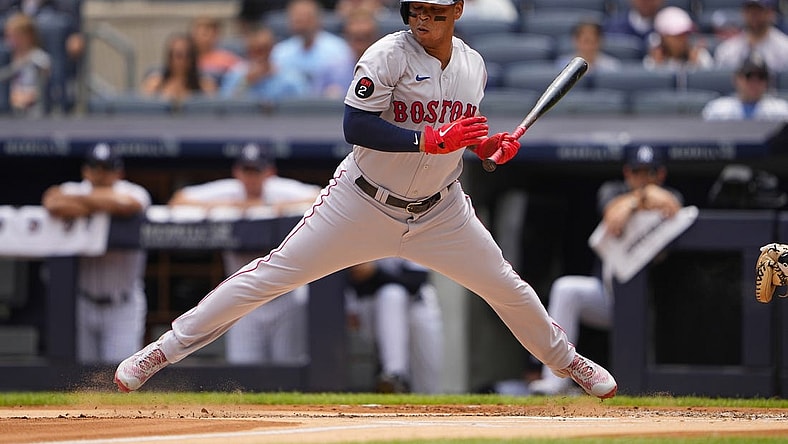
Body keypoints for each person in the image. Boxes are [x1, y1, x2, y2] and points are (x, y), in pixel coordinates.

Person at [114, 0, 618, 400]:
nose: (422, 17)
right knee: (269, 275)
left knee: (505, 286)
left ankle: (567, 362)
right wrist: (428, 140)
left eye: (435, 10)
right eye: (416, 8)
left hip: (440, 210)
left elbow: (458, 137)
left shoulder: (474, 66)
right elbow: (354, 124)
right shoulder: (386, 54)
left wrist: (486, 146)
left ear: (458, 10)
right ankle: (162, 351)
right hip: (362, 200)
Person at [528, 144, 683, 396]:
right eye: (637, 172)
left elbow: (673, 205)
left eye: (650, 173)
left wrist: (636, 201)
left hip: (653, 301)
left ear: (661, 174)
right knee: (566, 289)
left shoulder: (672, 194)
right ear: (627, 172)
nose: (643, 178)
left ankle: (650, 389)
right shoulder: (613, 190)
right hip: (610, 295)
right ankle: (554, 381)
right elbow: (613, 216)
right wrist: (642, 198)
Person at [168, 143, 321, 365]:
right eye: (246, 170)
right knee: (244, 367)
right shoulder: (231, 190)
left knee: (288, 366)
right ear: (237, 171)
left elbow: (319, 196)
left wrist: (271, 208)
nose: (250, 177)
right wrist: (235, 206)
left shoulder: (278, 190)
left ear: (269, 173)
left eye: (256, 171)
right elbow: (179, 200)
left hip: (285, 298)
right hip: (242, 300)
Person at [42, 143, 152, 365]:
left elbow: (127, 205)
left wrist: (82, 205)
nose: (101, 174)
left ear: (118, 172)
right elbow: (52, 201)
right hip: (84, 302)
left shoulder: (133, 191)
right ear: (85, 170)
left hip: (123, 304)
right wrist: (101, 205)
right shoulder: (72, 188)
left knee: (121, 374)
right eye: (95, 167)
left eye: (107, 168)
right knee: (85, 375)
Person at [346, 258, 443, 393]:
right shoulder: (362, 239)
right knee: (391, 295)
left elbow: (415, 281)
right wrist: (351, 306)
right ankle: (394, 375)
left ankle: (397, 379)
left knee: (427, 375)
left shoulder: (411, 236)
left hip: (418, 305)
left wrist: (376, 272)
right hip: (374, 305)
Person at [270, 0, 355, 98]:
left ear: (318, 19)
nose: (300, 20)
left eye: (305, 16)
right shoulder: (280, 51)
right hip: (290, 107)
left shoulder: (338, 49)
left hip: (326, 107)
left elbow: (344, 84)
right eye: (296, 17)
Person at [219, 27, 310, 102]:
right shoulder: (235, 75)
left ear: (272, 48)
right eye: (255, 50)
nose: (260, 56)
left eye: (264, 49)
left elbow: (304, 108)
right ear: (248, 50)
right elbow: (225, 109)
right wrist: (245, 82)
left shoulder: (292, 78)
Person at [702, 53, 788, 121]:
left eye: (761, 77)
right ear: (736, 79)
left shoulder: (781, 112)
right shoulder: (717, 111)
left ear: (768, 81)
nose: (755, 82)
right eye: (749, 76)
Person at [140, 33, 218, 104]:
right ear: (170, 57)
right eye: (179, 55)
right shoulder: (154, 84)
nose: (183, 60)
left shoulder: (206, 86)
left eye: (188, 55)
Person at [713, 0, 788, 73]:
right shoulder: (726, 51)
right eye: (750, 10)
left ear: (771, 13)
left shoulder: (785, 49)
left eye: (759, 11)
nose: (754, 15)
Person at [1, 12, 51, 116]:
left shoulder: (39, 58)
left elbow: (42, 87)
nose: (9, 40)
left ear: (27, 36)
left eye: (14, 36)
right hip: (11, 108)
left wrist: (27, 96)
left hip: (33, 108)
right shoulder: (9, 57)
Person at [643, 6, 713, 72]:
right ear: (663, 37)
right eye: (677, 36)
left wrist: (695, 66)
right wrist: (657, 66)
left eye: (685, 34)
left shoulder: (701, 56)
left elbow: (709, 81)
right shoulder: (651, 60)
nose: (682, 39)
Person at [189, 16, 243, 86]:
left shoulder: (228, 59)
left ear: (216, 34)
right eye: (198, 32)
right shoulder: (185, 59)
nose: (202, 36)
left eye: (206, 33)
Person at [555, 19, 621, 73]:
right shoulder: (562, 66)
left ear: (600, 41)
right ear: (575, 40)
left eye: (593, 41)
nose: (589, 46)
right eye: (586, 41)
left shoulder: (612, 66)